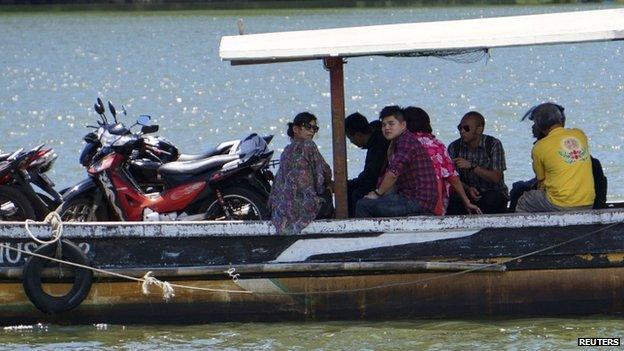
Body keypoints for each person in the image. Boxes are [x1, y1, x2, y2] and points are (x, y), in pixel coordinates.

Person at [355, 106, 437, 218]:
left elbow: (393, 173)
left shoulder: (406, 142)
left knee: (363, 205)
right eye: (383, 125)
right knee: (369, 199)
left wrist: (377, 193)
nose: (386, 128)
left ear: (403, 125)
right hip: (409, 197)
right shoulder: (397, 142)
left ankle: (367, 235)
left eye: (391, 123)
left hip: (418, 201)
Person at [516, 103, 595, 212]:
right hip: (588, 202)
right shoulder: (579, 134)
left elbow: (541, 181)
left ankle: (525, 229)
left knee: (525, 201)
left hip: (561, 204)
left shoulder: (539, 147)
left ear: (539, 125)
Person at [403, 106, 481, 215]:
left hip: (406, 201)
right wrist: (466, 201)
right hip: (435, 206)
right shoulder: (437, 145)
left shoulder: (404, 143)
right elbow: (452, 177)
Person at [268, 112, 334, 234]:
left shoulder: (286, 150)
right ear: (295, 129)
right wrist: (329, 186)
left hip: (281, 211)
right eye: (308, 127)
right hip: (304, 208)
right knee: (328, 190)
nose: (312, 131)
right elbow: (323, 172)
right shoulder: (309, 145)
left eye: (315, 128)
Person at [447, 111, 509, 214]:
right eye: (460, 128)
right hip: (467, 194)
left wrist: (472, 166)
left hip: (492, 192)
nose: (462, 131)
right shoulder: (454, 147)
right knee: (452, 201)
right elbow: (451, 178)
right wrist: (467, 189)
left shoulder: (493, 144)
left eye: (466, 128)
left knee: (493, 200)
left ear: (479, 130)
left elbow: (496, 177)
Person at [344, 112, 390, 217]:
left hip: (381, 184)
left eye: (351, 138)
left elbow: (370, 177)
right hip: (379, 179)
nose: (352, 142)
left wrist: (347, 184)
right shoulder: (376, 135)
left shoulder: (377, 146)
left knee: (355, 193)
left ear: (358, 135)